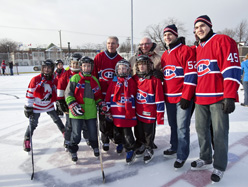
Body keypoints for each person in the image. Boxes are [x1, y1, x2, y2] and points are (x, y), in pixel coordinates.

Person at [192, 15, 241, 182]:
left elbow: (232, 68)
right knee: (201, 130)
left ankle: (219, 166)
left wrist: (229, 95)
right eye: (196, 27)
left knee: (219, 133)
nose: (199, 29)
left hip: (218, 97)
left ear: (210, 26)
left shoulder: (222, 40)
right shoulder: (198, 47)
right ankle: (205, 157)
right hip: (200, 99)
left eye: (202, 26)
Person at [161, 24, 197, 169]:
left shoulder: (185, 50)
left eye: (169, 34)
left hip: (182, 97)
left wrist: (187, 96)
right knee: (173, 125)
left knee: (182, 127)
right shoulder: (164, 54)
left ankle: (182, 155)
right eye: (165, 35)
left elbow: (191, 75)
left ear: (176, 35)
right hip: (169, 97)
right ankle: (174, 146)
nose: (167, 37)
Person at [64, 56, 105, 162]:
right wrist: (72, 104)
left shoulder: (94, 80)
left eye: (88, 66)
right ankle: (73, 150)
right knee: (76, 134)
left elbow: (98, 96)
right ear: (81, 67)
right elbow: (68, 94)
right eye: (84, 66)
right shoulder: (75, 79)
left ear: (91, 67)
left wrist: (100, 103)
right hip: (77, 112)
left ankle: (95, 146)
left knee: (92, 132)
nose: (86, 68)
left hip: (90, 112)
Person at [23, 59, 65, 152]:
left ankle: (65, 133)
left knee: (57, 120)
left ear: (52, 69)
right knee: (33, 124)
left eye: (49, 68)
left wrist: (59, 102)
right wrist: (28, 107)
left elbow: (58, 89)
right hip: (36, 106)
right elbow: (30, 93)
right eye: (44, 67)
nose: (46, 70)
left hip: (49, 105)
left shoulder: (54, 79)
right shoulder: (36, 79)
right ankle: (27, 139)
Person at [92, 36, 123, 153]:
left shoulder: (120, 59)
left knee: (115, 118)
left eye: (113, 43)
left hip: (115, 96)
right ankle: (105, 138)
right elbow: (94, 78)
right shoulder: (98, 57)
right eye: (109, 43)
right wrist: (96, 95)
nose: (111, 45)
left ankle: (115, 137)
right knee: (104, 119)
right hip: (102, 95)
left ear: (117, 45)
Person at [132, 55, 164, 164]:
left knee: (148, 132)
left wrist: (160, 115)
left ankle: (148, 147)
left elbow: (159, 98)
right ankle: (141, 144)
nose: (141, 67)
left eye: (144, 64)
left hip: (149, 112)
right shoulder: (134, 78)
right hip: (138, 111)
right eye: (139, 64)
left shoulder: (155, 80)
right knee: (139, 131)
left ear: (149, 66)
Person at [105, 59, 137, 164]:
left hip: (126, 112)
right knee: (116, 131)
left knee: (127, 133)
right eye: (120, 68)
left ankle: (130, 148)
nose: (122, 70)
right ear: (116, 70)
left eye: (124, 68)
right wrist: (106, 107)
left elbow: (135, 95)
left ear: (128, 70)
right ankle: (120, 143)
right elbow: (109, 95)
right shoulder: (114, 82)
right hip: (116, 112)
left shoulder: (131, 81)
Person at [56, 54, 89, 150]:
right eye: (73, 63)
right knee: (69, 124)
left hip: (83, 103)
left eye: (77, 64)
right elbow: (60, 88)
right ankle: (67, 140)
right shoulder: (65, 74)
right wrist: (60, 101)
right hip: (69, 104)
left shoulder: (85, 74)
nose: (75, 66)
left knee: (84, 123)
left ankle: (88, 138)